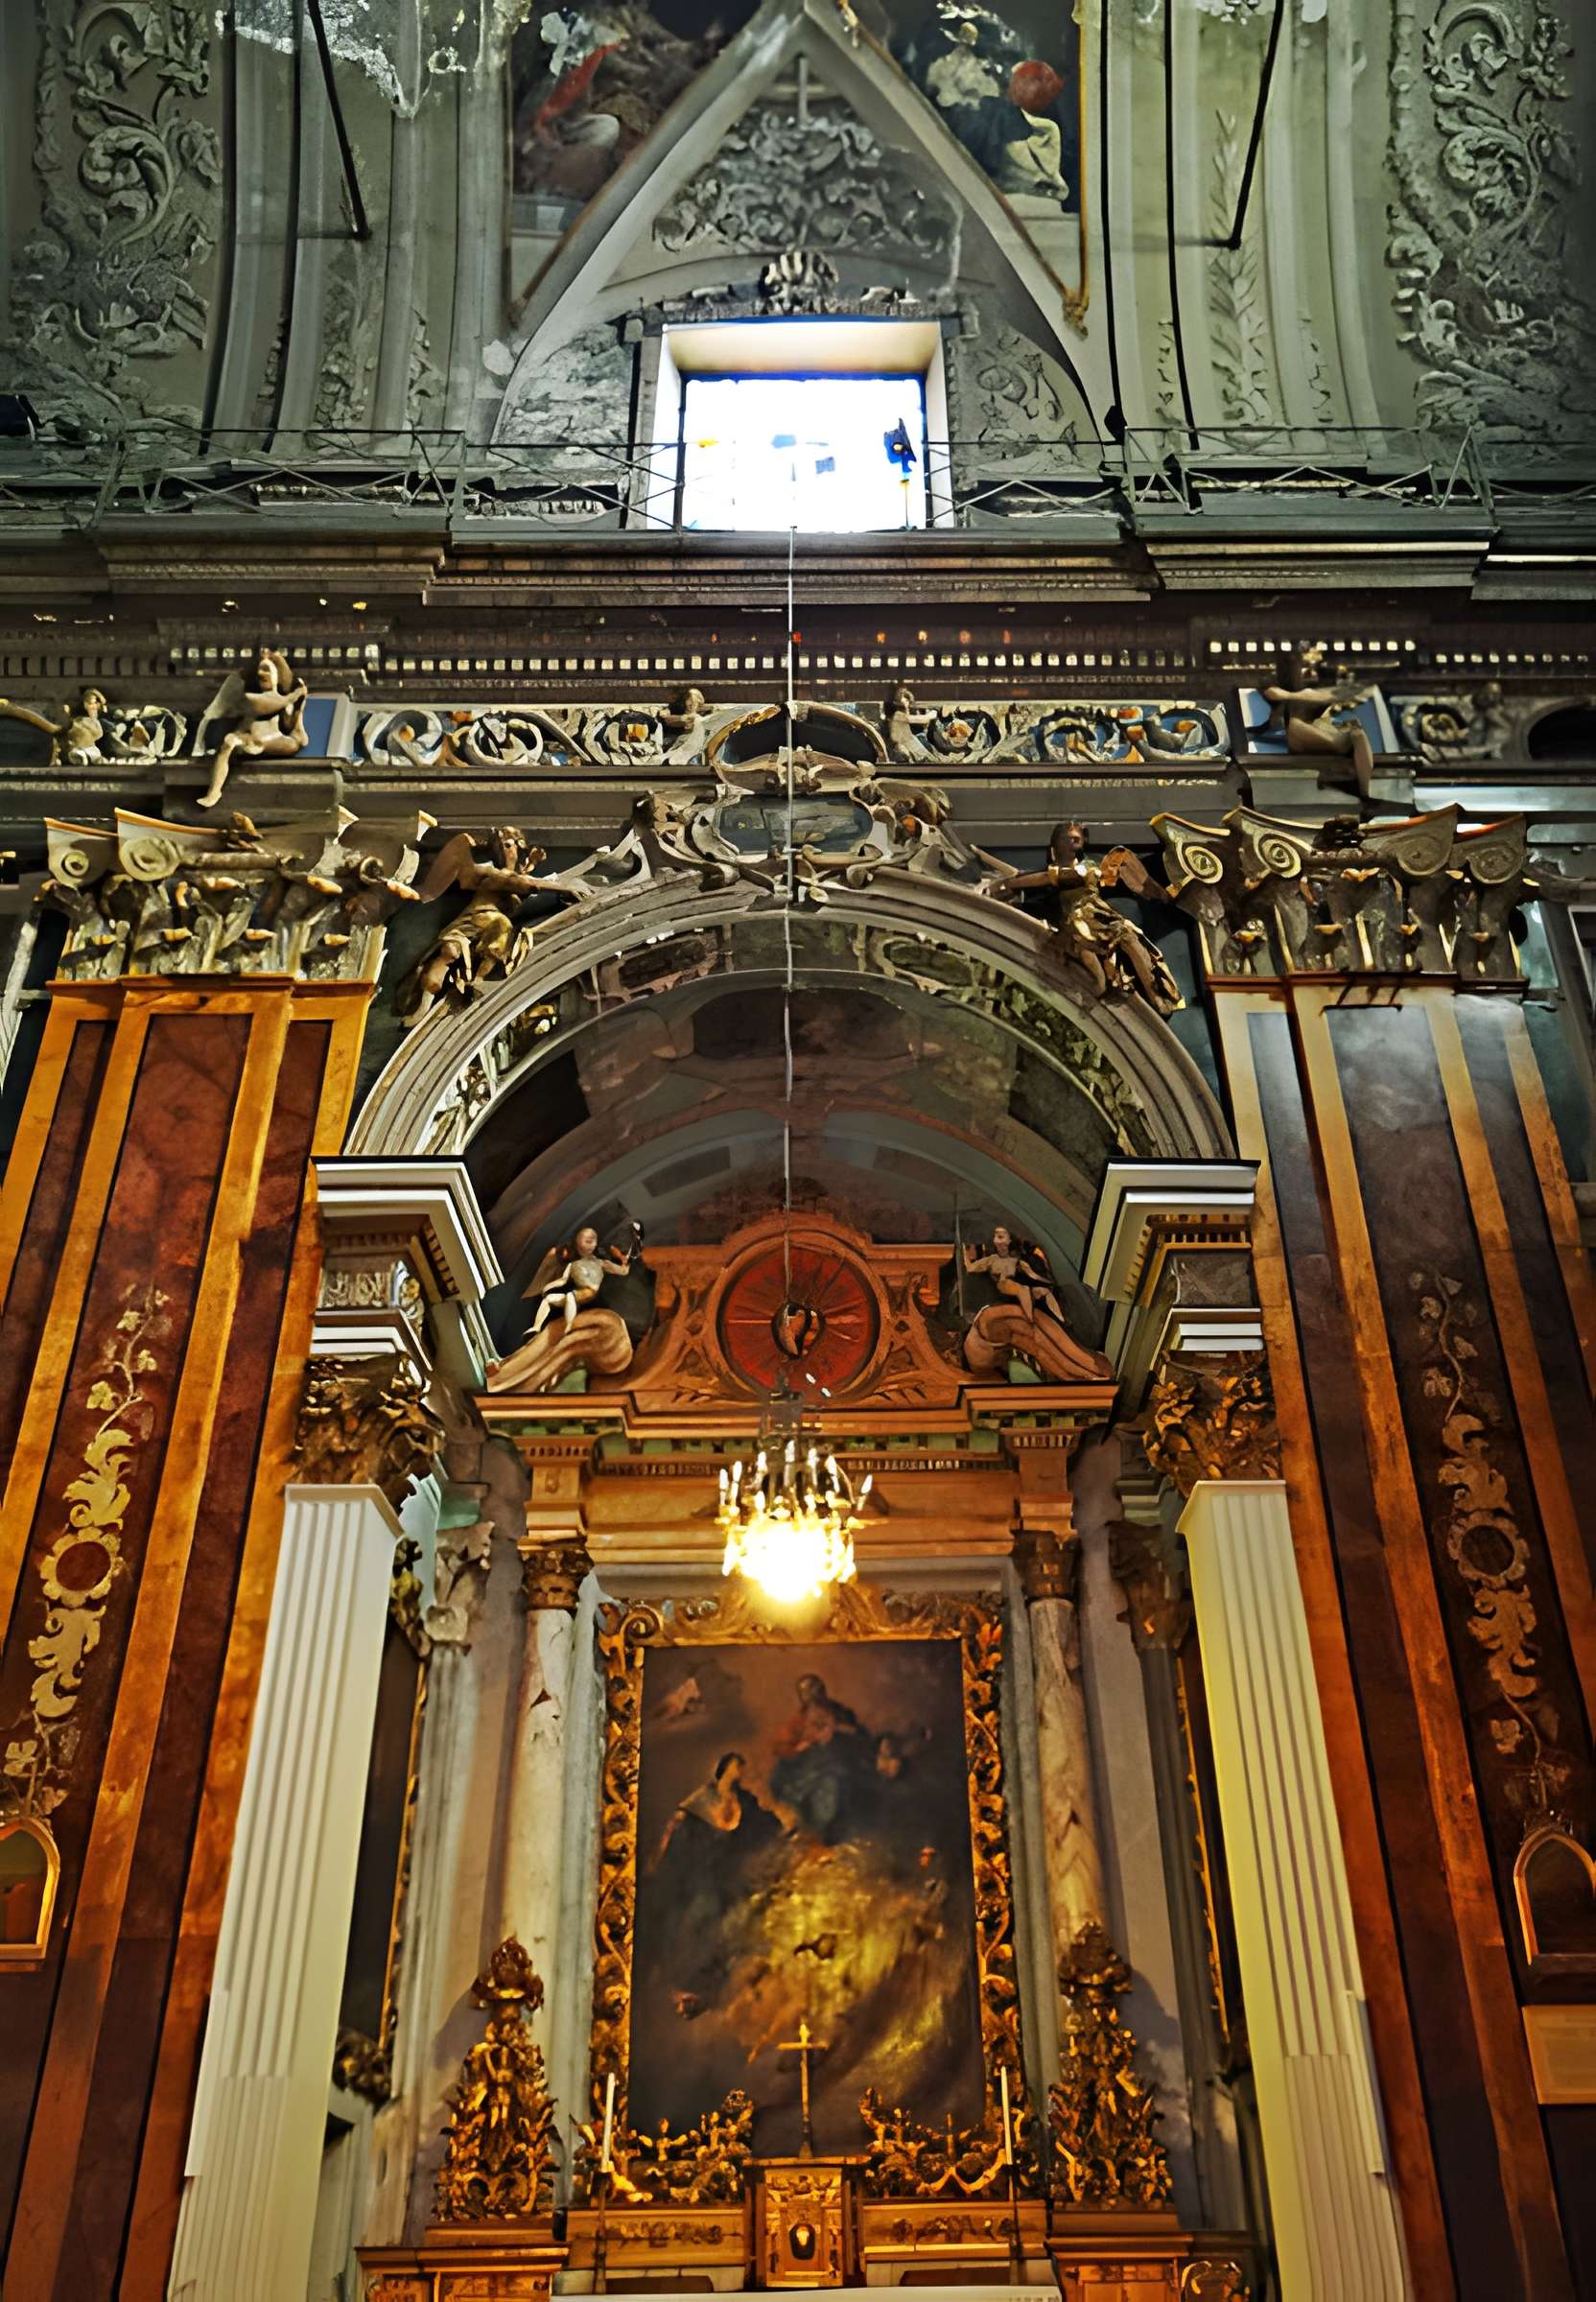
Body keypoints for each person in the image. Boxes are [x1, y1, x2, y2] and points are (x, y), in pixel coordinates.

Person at [528, 1221, 636, 1334]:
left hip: (590, 1292)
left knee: (570, 1296)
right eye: (585, 1242)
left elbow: (623, 1271)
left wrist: (626, 1260)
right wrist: (548, 1287)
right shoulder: (573, 1264)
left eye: (590, 1241)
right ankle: (536, 1327)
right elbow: (562, 1281)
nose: (587, 1245)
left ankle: (569, 1328)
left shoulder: (600, 1262)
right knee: (548, 1299)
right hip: (580, 1293)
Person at [963, 1225, 1066, 1326]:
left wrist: (1049, 1283)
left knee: (1043, 1291)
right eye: (996, 1236)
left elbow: (1033, 1276)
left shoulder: (1017, 1261)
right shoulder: (992, 1260)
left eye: (1001, 1236)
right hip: (1002, 1290)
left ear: (1009, 1241)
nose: (997, 1239)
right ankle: (1030, 1322)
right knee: (1023, 1289)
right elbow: (970, 1268)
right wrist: (963, 1250)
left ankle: (1061, 1320)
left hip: (1015, 1291)